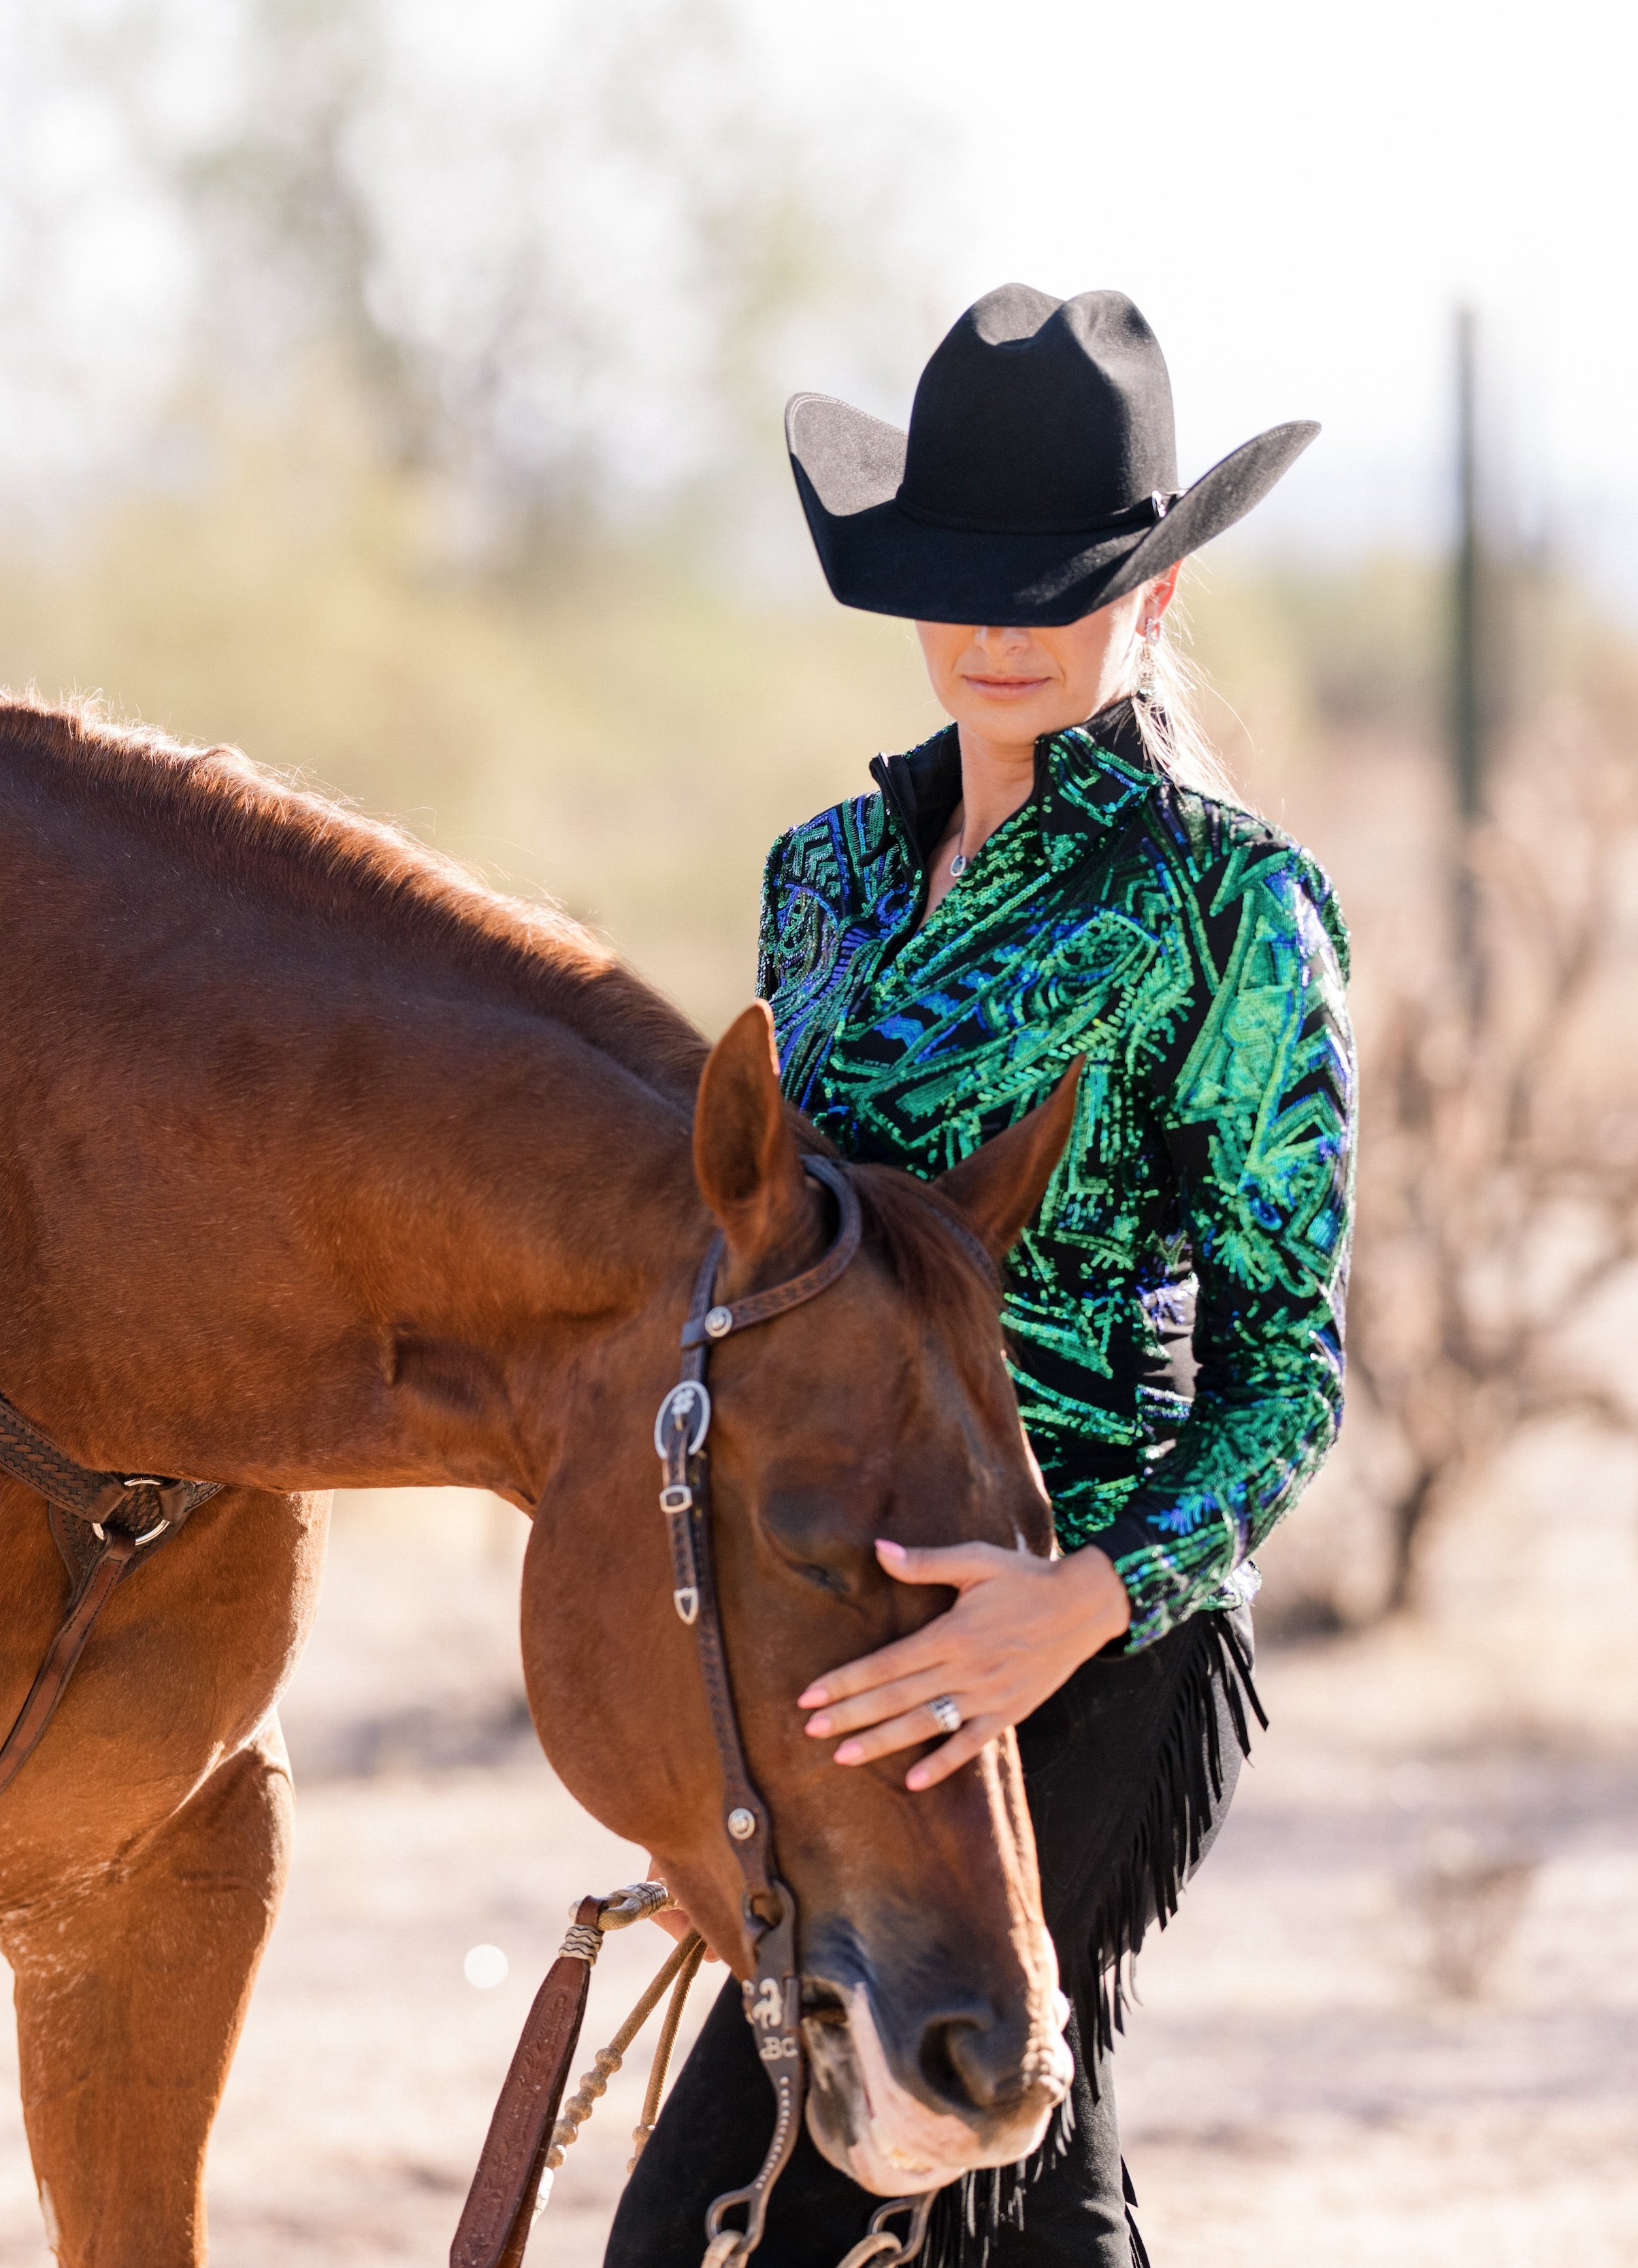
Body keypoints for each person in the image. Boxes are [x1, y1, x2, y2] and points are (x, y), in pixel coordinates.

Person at [605, 285, 1357, 2267]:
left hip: (1088, 1620)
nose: (1004, 625)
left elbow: (1293, 1368)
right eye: (963, 575)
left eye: (1066, 582)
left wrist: (1081, 1607)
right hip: (830, 1602)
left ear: (1158, 601)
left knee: (848, 2171)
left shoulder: (1232, 910)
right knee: (990, 2167)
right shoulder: (820, 880)